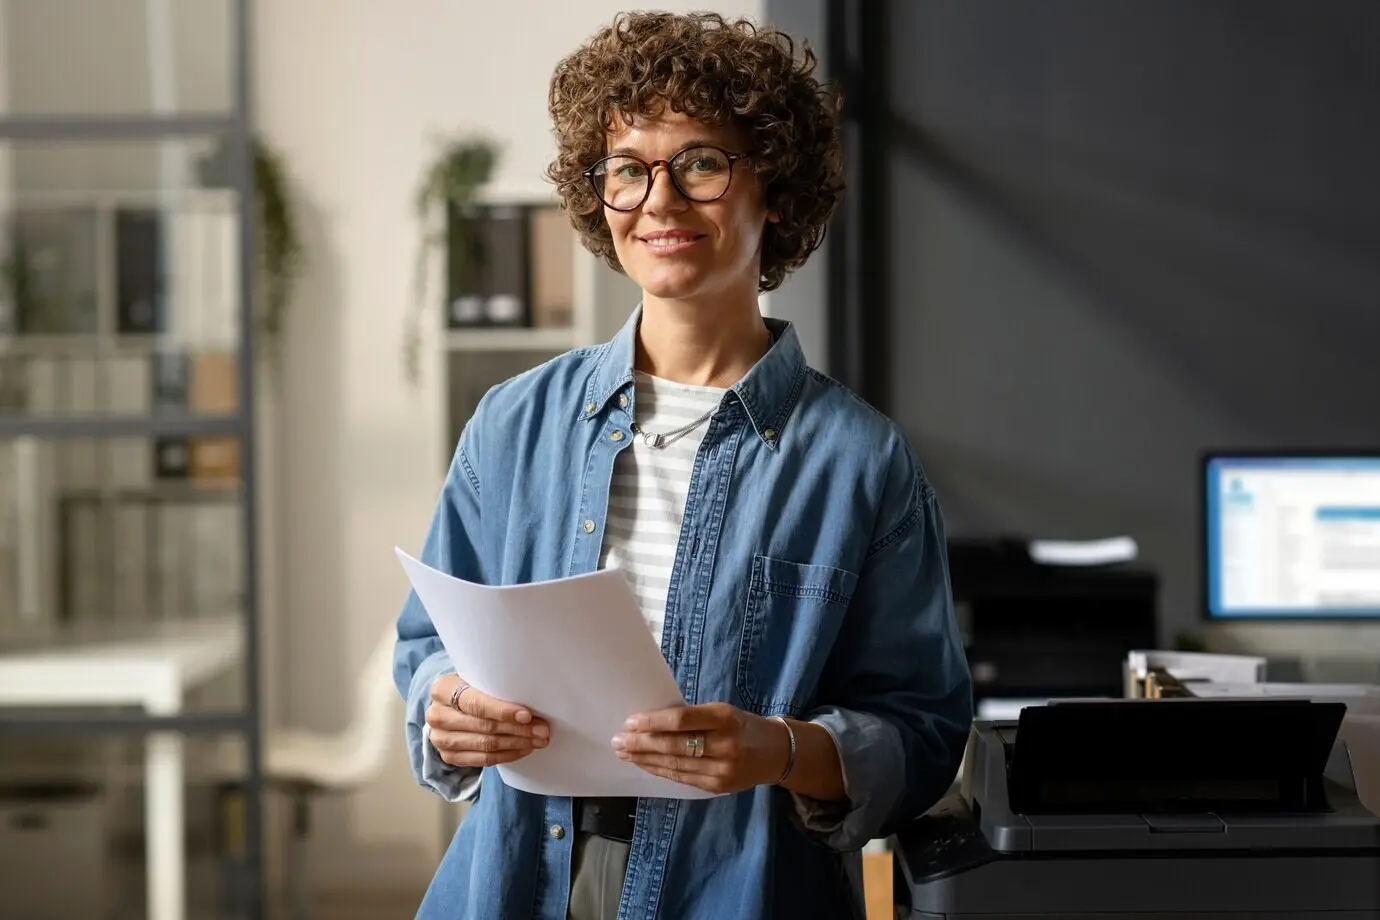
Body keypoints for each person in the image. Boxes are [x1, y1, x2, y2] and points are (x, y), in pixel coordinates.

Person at [393, 11, 973, 920]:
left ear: (773, 187)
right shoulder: (512, 424)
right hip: (515, 881)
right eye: (628, 169)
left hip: (738, 891)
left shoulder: (859, 460)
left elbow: (922, 731)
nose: (658, 202)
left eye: (699, 164)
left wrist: (779, 750)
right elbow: (427, 647)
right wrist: (449, 703)